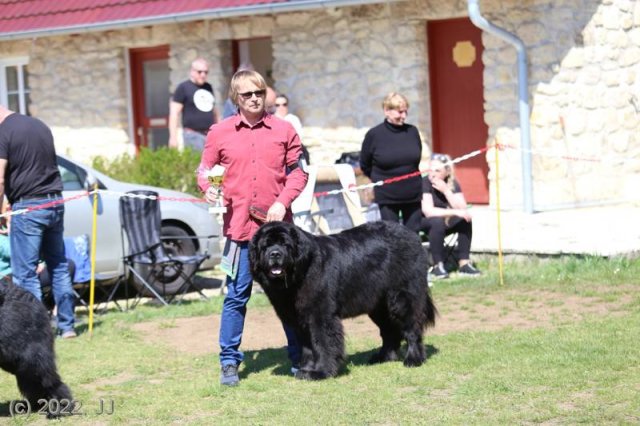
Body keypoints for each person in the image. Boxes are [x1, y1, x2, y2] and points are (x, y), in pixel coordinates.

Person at [197, 70, 308, 386]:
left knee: (290, 296)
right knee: (236, 296)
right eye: (247, 94)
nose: (255, 98)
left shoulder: (284, 130)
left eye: (259, 92)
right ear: (236, 98)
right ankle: (229, 362)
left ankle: (300, 357)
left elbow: (297, 174)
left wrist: (283, 201)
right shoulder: (219, 132)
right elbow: (205, 171)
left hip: (278, 233)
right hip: (240, 231)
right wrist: (208, 187)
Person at [0, 104, 77, 338]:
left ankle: (36, 332)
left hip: (29, 207)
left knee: (25, 274)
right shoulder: (39, 125)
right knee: (59, 266)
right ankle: (67, 326)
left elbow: (0, 178)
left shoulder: (3, 132)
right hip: (54, 202)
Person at [360, 92, 423, 232]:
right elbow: (365, 164)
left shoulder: (412, 131)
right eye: (400, 112)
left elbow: (416, 159)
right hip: (387, 195)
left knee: (413, 235)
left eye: (406, 111)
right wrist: (381, 179)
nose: (404, 116)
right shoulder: (374, 135)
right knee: (391, 236)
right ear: (387, 111)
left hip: (412, 193)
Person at [421, 153, 481, 279]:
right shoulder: (425, 182)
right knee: (436, 221)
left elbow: (462, 208)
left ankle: (464, 264)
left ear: (447, 172)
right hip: (425, 223)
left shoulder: (452, 183)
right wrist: (454, 212)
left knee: (464, 219)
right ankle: (438, 266)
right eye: (430, 169)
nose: (432, 174)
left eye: (437, 171)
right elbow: (428, 211)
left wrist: (446, 191)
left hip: (445, 222)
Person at [169, 58, 220, 151]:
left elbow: (214, 111)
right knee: (198, 164)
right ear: (192, 71)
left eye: (206, 72)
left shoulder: (208, 87)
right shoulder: (183, 87)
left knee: (213, 165)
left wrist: (220, 131)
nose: (203, 75)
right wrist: (173, 137)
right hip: (193, 135)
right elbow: (174, 114)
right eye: (200, 72)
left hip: (210, 135)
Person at [274, 93, 310, 164]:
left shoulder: (293, 119)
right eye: (277, 105)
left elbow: (299, 137)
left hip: (293, 152)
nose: (281, 107)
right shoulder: (270, 120)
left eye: (284, 104)